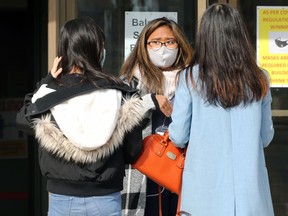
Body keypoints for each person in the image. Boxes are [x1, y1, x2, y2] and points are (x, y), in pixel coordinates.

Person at [16, 17, 162, 216]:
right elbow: (133, 152)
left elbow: (23, 118)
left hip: (61, 199)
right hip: (105, 198)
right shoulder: (120, 93)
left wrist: (47, 80)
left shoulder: (48, 95)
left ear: (64, 52)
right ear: (99, 50)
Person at [168, 3, 274, 216]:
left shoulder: (190, 78)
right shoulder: (259, 78)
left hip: (204, 195)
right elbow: (265, 137)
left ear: (205, 36)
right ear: (240, 34)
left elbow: (178, 136)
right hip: (250, 195)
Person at [120, 17, 193, 216]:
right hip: (142, 176)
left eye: (169, 41)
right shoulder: (128, 82)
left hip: (182, 175)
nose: (163, 48)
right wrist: (149, 101)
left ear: (179, 45)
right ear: (144, 46)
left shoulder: (194, 81)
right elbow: (117, 122)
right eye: (155, 42)